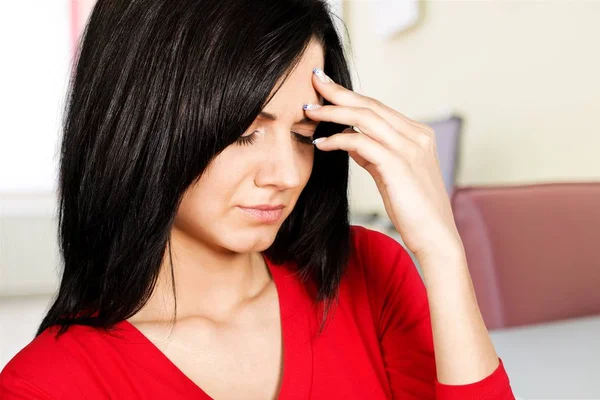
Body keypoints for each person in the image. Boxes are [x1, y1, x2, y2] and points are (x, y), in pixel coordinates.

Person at [0, 0, 515, 399]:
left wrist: (443, 250)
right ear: (142, 123)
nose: (287, 175)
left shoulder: (370, 274)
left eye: (302, 134)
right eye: (246, 132)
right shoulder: (47, 384)